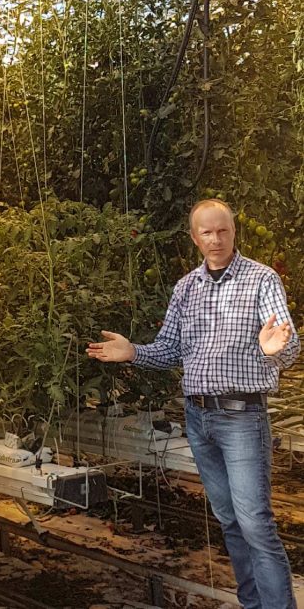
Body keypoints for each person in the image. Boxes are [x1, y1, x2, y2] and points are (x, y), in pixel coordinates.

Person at [87, 199, 300, 609]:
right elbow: (170, 349)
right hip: (198, 417)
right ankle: (253, 603)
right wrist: (133, 352)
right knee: (230, 521)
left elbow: (286, 344)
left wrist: (274, 350)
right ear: (195, 238)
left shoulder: (262, 279)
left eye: (223, 230)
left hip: (241, 417)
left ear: (233, 231)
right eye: (207, 232)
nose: (216, 239)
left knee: (255, 524)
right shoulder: (186, 288)